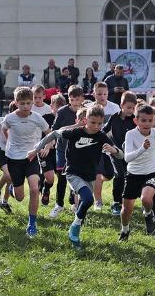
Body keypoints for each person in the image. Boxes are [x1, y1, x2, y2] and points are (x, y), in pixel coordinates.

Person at [27, 106, 123, 249]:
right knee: (88, 199)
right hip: (73, 173)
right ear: (85, 120)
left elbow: (121, 155)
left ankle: (76, 226)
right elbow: (53, 134)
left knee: (87, 202)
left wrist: (114, 150)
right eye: (92, 122)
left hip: (89, 176)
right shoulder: (75, 132)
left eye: (99, 123)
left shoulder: (102, 136)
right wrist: (36, 149)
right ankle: (75, 228)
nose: (96, 126)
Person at [1, 87, 51, 238]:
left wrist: (47, 146)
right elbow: (4, 130)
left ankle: (32, 223)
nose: (25, 106)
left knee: (35, 189)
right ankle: (12, 190)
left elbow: (49, 133)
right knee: (20, 197)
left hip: (31, 157)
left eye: (28, 103)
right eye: (22, 103)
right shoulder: (10, 118)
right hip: (14, 159)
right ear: (15, 103)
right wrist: (11, 141)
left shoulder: (36, 117)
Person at [118, 105, 155, 240]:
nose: (147, 124)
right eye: (143, 120)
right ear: (136, 121)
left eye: (150, 120)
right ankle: (125, 230)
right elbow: (127, 157)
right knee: (126, 209)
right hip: (132, 175)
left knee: (146, 199)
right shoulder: (130, 134)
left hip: (150, 173)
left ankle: (148, 214)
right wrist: (142, 148)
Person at [49, 86, 85, 218]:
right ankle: (59, 204)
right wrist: (48, 144)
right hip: (62, 149)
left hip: (79, 150)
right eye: (72, 99)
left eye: (77, 99)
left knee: (77, 177)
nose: (74, 102)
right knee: (62, 177)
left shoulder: (86, 111)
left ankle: (76, 205)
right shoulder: (62, 111)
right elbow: (55, 130)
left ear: (82, 99)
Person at [102, 91, 137, 215]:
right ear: (121, 105)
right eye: (128, 107)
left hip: (129, 153)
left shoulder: (134, 120)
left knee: (129, 177)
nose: (130, 110)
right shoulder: (114, 117)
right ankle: (116, 203)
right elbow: (104, 130)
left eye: (133, 108)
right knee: (119, 175)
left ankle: (126, 200)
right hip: (114, 152)